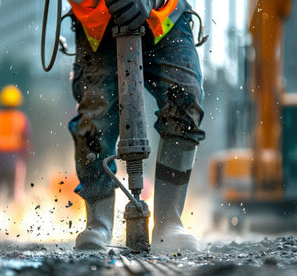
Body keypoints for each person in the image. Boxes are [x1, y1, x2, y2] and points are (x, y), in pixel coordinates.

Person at [68, 0, 204, 251]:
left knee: (184, 100)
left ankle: (168, 221)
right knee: (94, 119)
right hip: (99, 20)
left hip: (164, 15)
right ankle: (99, 222)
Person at [0, 85, 32, 208]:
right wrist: (25, 156)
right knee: (13, 191)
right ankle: (10, 219)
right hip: (14, 159)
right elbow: (26, 139)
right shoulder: (21, 118)